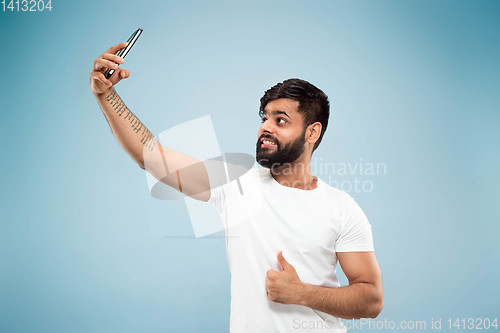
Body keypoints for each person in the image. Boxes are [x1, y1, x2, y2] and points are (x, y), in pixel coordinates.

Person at [90, 42, 384, 333]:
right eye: (264, 118)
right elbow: (153, 158)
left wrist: (301, 293)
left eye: (280, 120)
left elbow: (371, 299)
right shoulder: (235, 185)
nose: (265, 127)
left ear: (312, 132)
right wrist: (107, 96)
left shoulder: (341, 208)